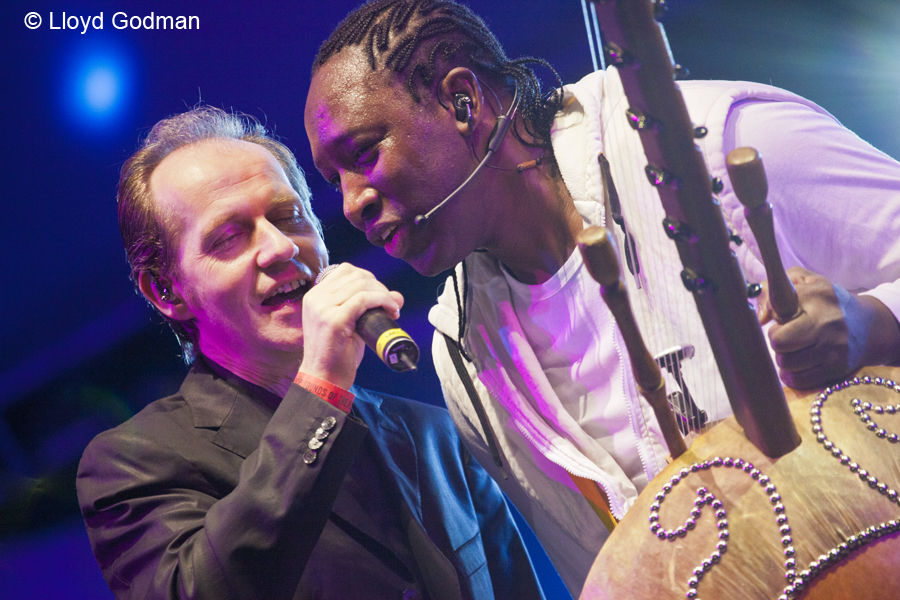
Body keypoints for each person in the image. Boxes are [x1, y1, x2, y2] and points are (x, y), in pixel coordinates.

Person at [304, 0, 900, 595]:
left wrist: (869, 320)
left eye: (363, 154)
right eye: (335, 182)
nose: (352, 203)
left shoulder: (717, 141)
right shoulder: (462, 360)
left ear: (463, 102)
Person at [75, 106, 545, 600]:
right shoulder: (133, 462)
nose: (280, 247)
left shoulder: (435, 435)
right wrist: (319, 390)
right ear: (167, 291)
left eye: (289, 216)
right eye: (229, 236)